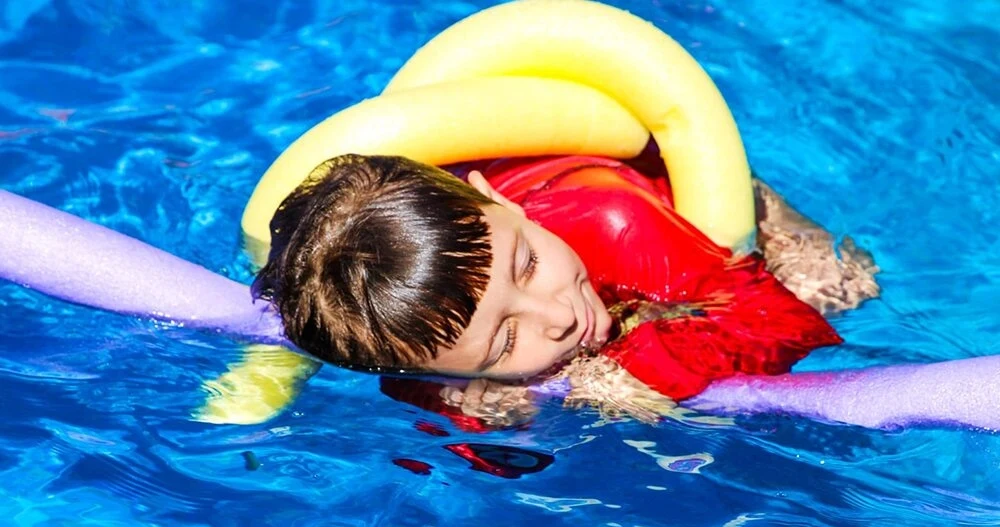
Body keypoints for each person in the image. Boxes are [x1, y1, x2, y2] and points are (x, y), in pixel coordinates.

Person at [252, 151, 880, 428]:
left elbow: (788, 326)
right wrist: (467, 413)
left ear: (499, 202)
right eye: (503, 342)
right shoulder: (424, 349)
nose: (554, 315)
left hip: (637, 197)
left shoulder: (614, 220)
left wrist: (638, 370)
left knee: (838, 286)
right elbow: (430, 401)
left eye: (526, 267)